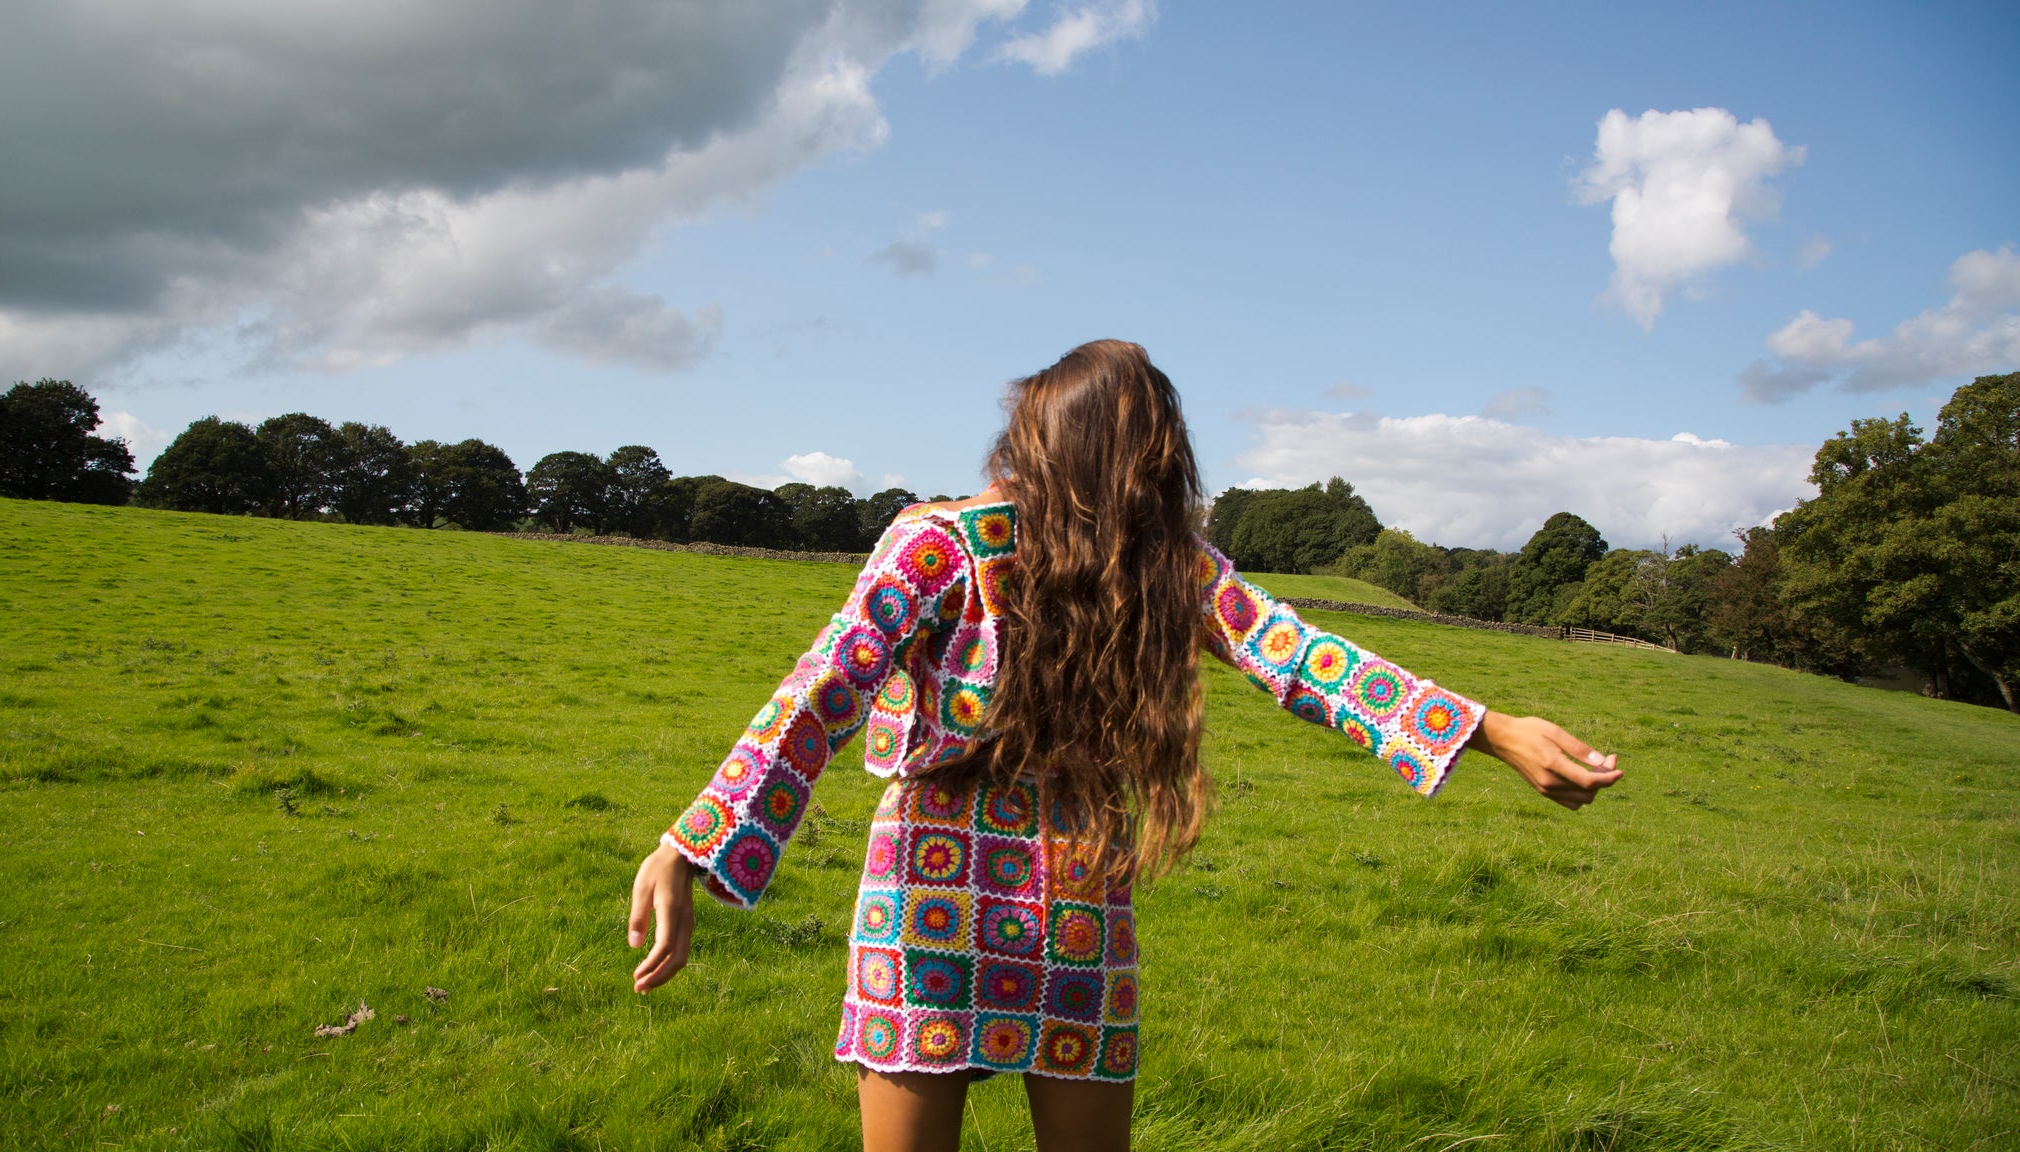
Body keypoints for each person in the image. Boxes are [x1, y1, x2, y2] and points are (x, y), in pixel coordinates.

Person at [627, 340, 1623, 1152]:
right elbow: (1303, 658)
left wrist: (689, 842)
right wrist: (1484, 729)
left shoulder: (941, 542)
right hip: (1075, 887)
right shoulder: (1165, 568)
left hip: (929, 885)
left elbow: (820, 693)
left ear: (1037, 440)